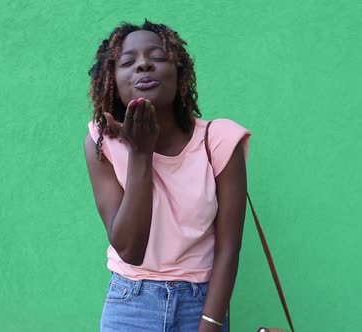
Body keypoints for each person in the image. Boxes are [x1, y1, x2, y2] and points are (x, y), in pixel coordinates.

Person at [84, 20, 251, 332]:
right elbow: (130, 250)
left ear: (179, 72)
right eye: (128, 62)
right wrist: (140, 153)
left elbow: (229, 248)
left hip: (200, 305)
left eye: (157, 57)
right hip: (130, 304)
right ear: (113, 80)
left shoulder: (219, 140)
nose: (144, 65)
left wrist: (210, 323)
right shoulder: (102, 141)